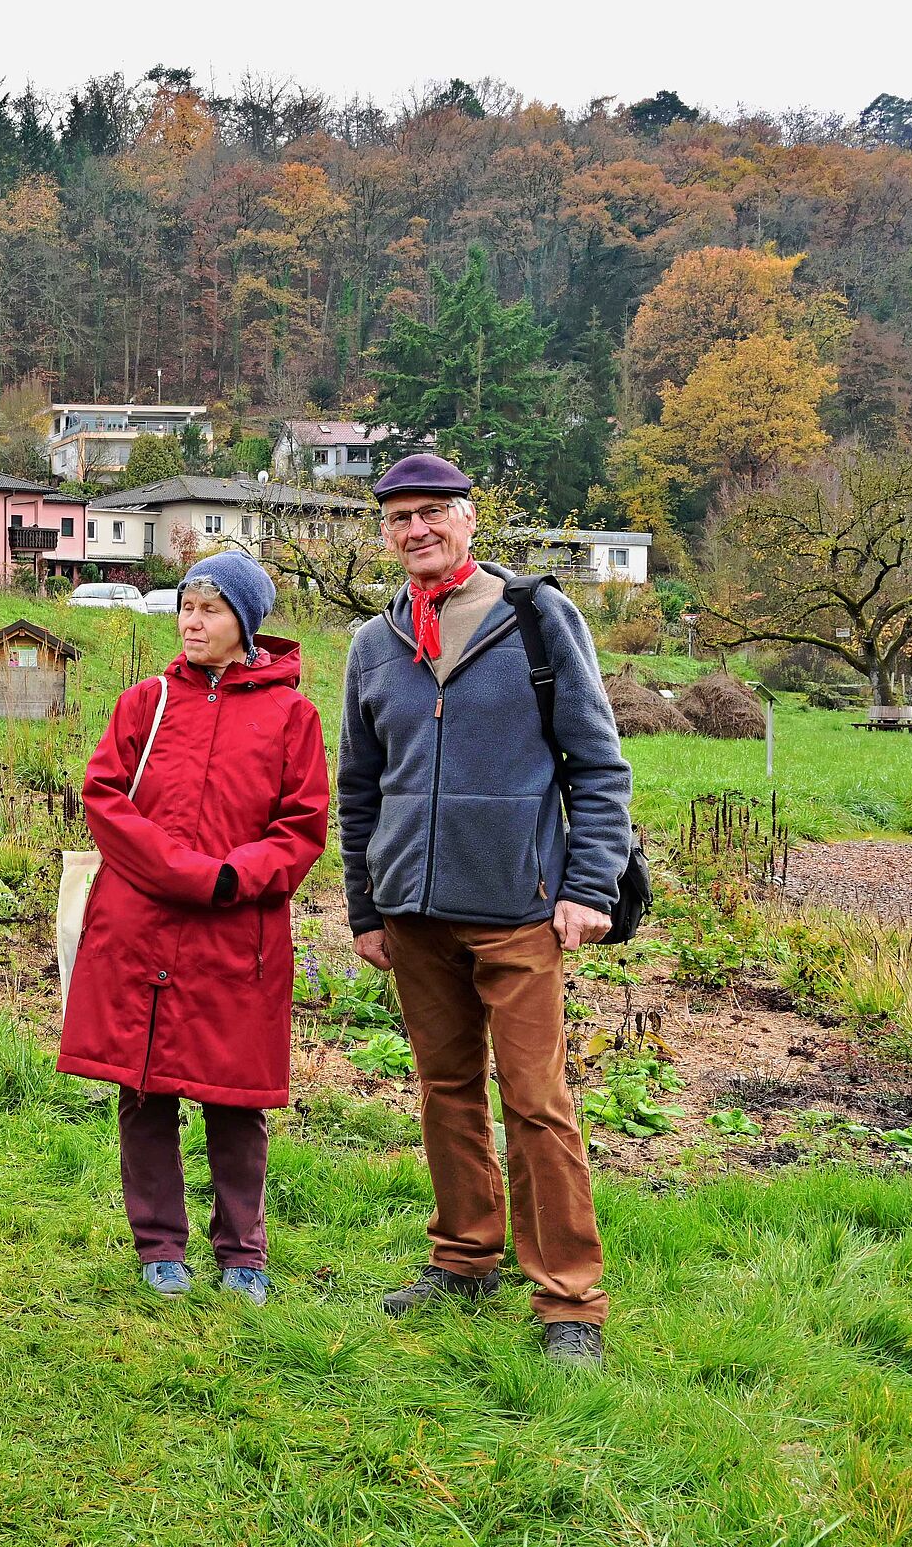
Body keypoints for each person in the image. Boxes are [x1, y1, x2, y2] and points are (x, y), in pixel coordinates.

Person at [339, 453, 634, 1368]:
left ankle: (569, 1301)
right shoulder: (373, 644)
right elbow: (358, 788)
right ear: (385, 533)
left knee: (538, 1102)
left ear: (469, 519)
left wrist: (589, 887)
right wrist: (365, 908)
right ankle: (464, 1258)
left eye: (434, 513)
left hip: (517, 907)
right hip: (413, 913)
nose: (417, 530)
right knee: (445, 1091)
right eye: (400, 519)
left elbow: (598, 766)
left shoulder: (536, 619)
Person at [58, 553, 328, 1306]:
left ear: (246, 622)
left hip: (235, 933)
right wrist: (179, 870)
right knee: (144, 1089)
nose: (192, 623)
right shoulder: (146, 703)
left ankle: (244, 1251)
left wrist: (234, 877)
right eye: (186, 608)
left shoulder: (291, 716)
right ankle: (159, 1247)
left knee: (235, 1096)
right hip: (141, 925)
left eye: (209, 610)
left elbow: (302, 826)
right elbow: (105, 797)